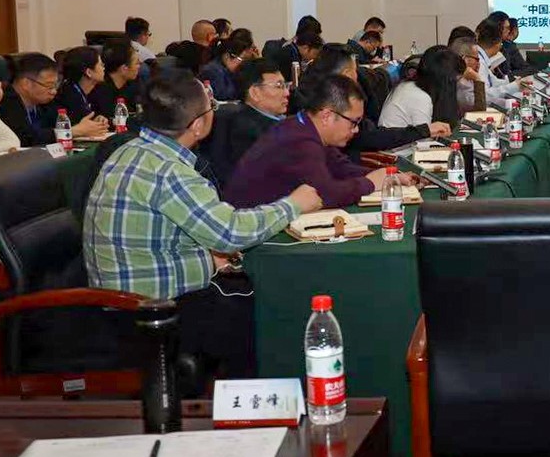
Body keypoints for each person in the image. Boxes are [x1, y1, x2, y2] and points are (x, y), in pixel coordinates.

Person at [84, 71, 322, 379]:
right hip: (148, 311)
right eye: (211, 107)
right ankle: (251, 403)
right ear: (198, 125)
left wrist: (211, 258)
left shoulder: (129, 150)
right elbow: (229, 233)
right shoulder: (169, 171)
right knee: (271, 313)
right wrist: (293, 204)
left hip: (127, 300)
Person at [223, 74, 408, 210]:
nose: (356, 130)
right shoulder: (298, 140)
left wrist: (390, 177)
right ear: (327, 116)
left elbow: (341, 168)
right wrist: (370, 183)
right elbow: (324, 195)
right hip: (249, 233)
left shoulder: (305, 125)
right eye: (354, 122)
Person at [297, 44, 449, 151]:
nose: (355, 129)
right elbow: (369, 137)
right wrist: (422, 131)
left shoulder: (309, 97)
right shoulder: (334, 107)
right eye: (356, 70)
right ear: (347, 75)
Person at [0, 53, 109, 146]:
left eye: (55, 85)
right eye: (49, 86)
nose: (54, 91)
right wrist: (72, 131)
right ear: (26, 83)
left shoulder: (43, 102)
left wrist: (92, 125)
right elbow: (24, 138)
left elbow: (61, 121)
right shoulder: (5, 101)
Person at [214, 58, 291, 185]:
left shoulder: (267, 121)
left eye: (286, 85)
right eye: (279, 86)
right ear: (255, 93)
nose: (287, 93)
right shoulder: (251, 133)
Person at [381, 45, 467, 130]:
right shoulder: (420, 97)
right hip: (399, 139)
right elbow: (426, 136)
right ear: (445, 81)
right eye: (455, 81)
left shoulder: (409, 85)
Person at [475, 19, 528, 109]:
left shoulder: (482, 58)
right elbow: (486, 95)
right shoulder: (479, 62)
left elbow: (493, 82)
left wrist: (514, 83)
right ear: (497, 43)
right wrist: (514, 86)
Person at [89, 37, 144, 121]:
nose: (140, 65)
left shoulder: (135, 84)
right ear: (124, 68)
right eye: (137, 63)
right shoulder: (98, 90)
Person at [199, 28, 258, 103]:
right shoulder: (212, 72)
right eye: (243, 59)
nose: (244, 64)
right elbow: (222, 99)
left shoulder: (235, 71)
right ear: (228, 56)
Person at [57, 46, 105, 122]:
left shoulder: (82, 91)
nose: (104, 68)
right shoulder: (70, 96)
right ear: (88, 72)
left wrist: (96, 120)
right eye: (101, 65)